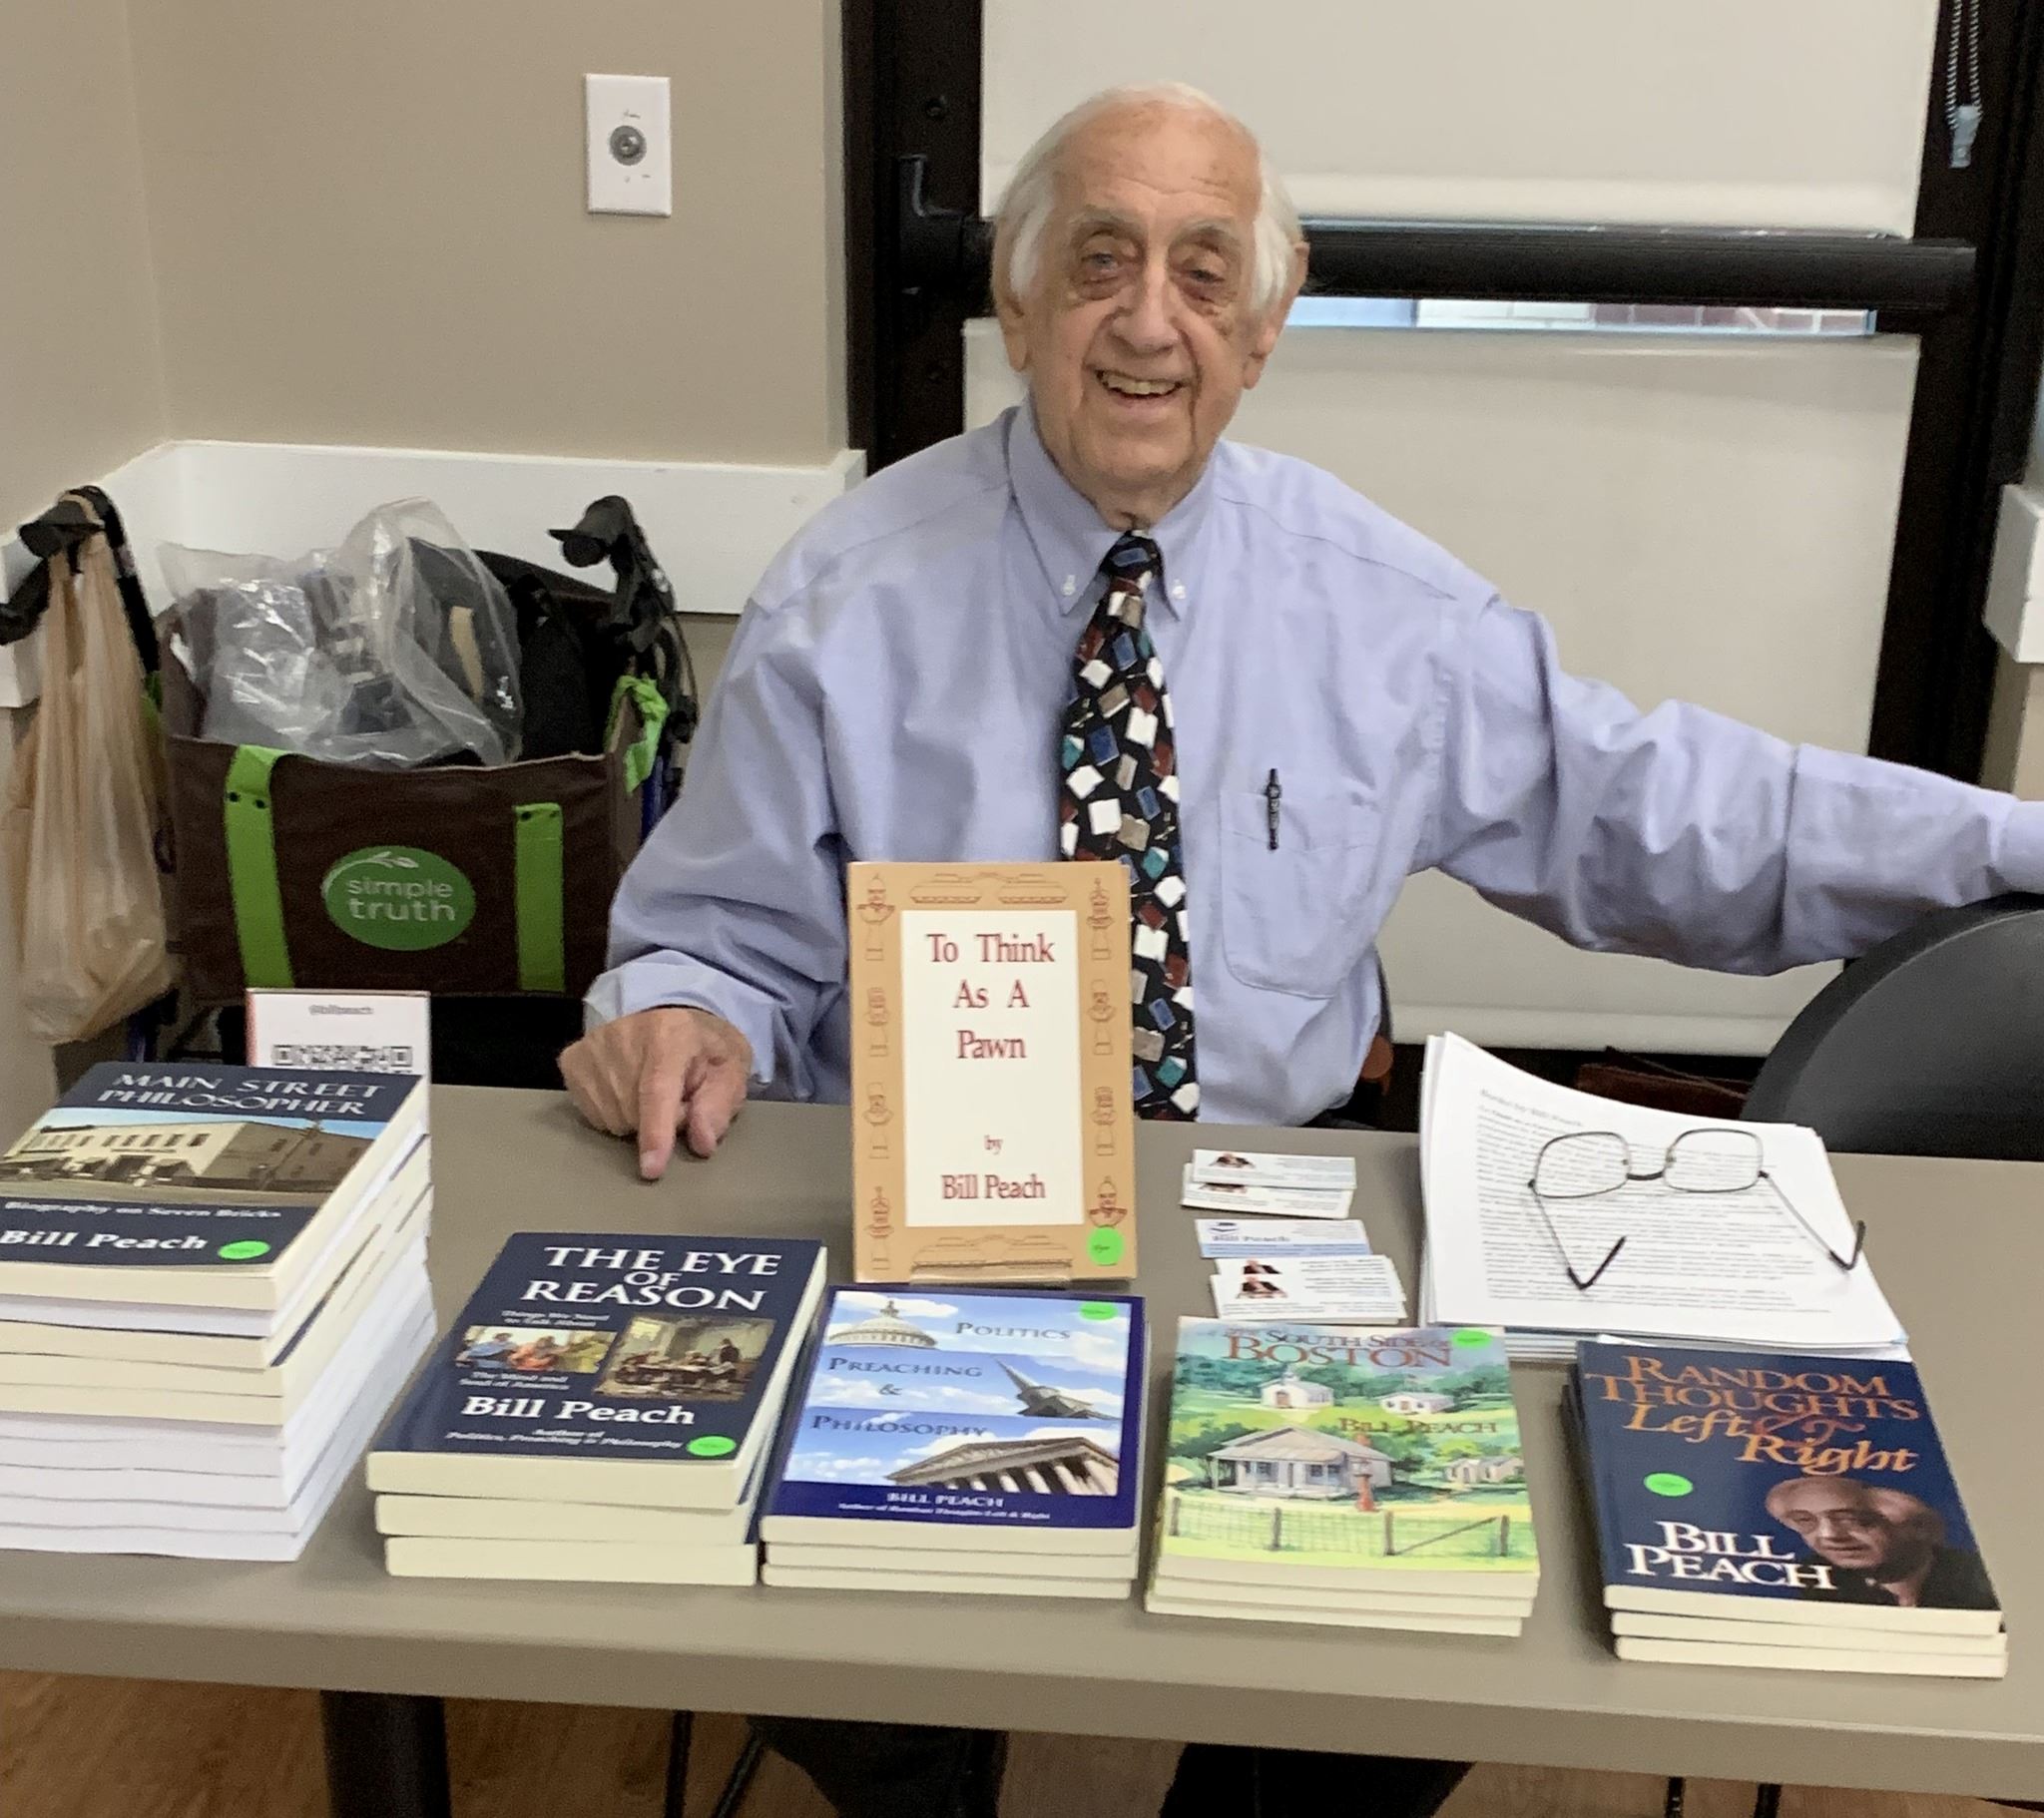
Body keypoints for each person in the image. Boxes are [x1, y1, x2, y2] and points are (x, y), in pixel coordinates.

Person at [559, 79, 2044, 1818]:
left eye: (1203, 273)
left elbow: (1676, 814)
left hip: (1274, 1203)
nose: (1147, 320)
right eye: (1099, 259)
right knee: (862, 1638)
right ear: (1018, 302)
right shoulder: (841, 597)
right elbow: (710, 933)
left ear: (1264, 326)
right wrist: (676, 1011)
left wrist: (2018, 844)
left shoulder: (1382, 611)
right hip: (930, 1223)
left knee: (1406, 1641)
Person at [1764, 1476, 1997, 1610]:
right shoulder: (1811, 1579)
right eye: (1805, 1520)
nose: (1829, 1535)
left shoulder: (1972, 1574)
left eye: (1852, 1519)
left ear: (1918, 1527)